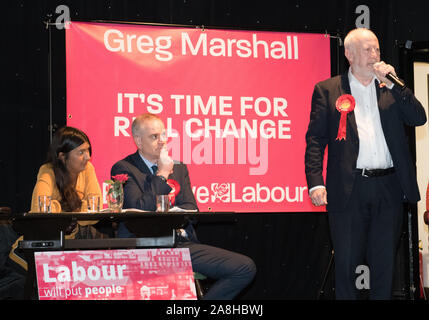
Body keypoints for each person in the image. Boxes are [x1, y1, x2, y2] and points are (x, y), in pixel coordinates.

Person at [305, 28, 426, 299]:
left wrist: (396, 84)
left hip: (389, 187)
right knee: (347, 264)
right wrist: (315, 182)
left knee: (384, 265)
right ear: (349, 54)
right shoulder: (328, 90)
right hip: (349, 188)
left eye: (377, 49)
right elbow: (315, 140)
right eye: (367, 49)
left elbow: (419, 118)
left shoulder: (391, 88)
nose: (374, 55)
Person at [111, 113, 256, 300]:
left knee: (244, 267)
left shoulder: (178, 168)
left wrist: (172, 216)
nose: (162, 141)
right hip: (144, 246)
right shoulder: (124, 168)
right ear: (138, 141)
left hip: (179, 244)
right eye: (154, 137)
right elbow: (137, 211)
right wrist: (162, 175)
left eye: (164, 135)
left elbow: (191, 209)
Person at [29, 126, 105, 239]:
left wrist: (56, 207)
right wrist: (75, 209)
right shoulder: (48, 171)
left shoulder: (88, 168)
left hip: (74, 240)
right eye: (81, 152)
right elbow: (39, 211)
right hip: (46, 240)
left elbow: (94, 211)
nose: (88, 157)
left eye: (88, 150)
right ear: (62, 157)